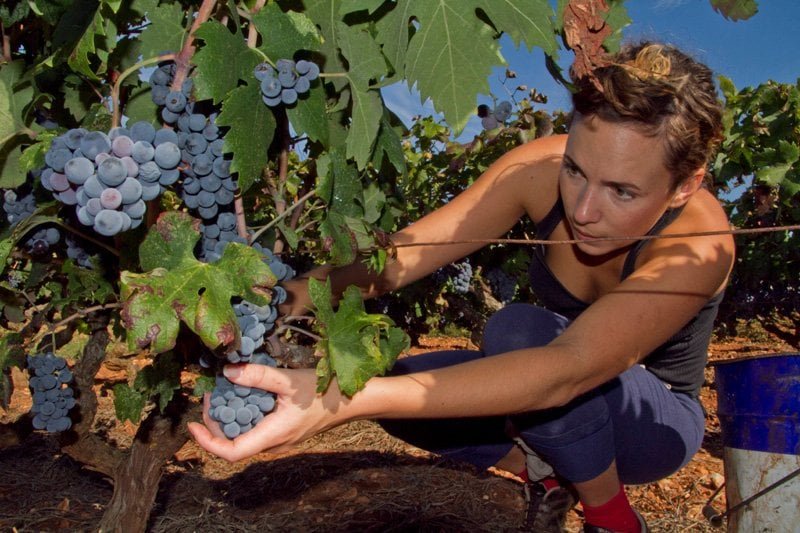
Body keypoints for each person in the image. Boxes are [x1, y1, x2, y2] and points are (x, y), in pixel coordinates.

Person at [189, 41, 735, 533]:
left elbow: (568, 368)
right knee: (396, 383)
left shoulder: (700, 244)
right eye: (574, 170)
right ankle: (546, 473)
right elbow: (403, 257)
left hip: (650, 425)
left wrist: (340, 401)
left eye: (622, 191)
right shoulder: (532, 171)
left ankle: (611, 515)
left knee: (518, 331)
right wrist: (288, 295)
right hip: (556, 395)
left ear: (685, 184)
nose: (585, 209)